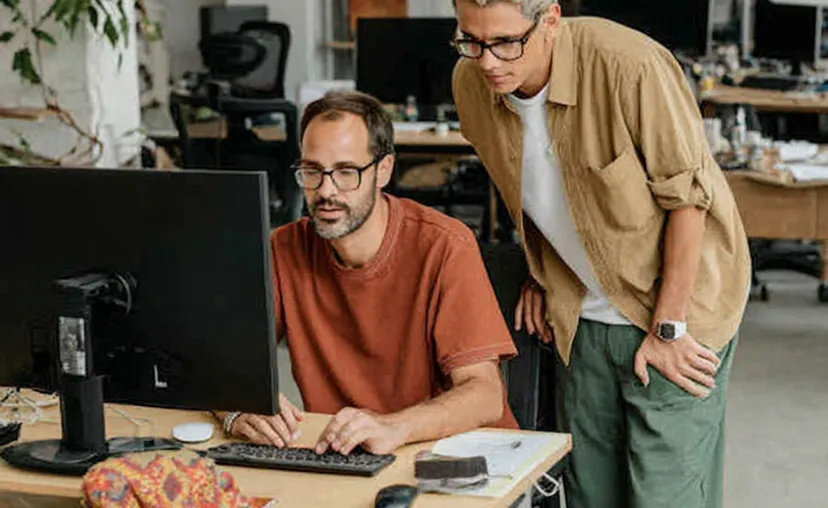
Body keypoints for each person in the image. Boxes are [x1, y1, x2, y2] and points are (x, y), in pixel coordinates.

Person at [450, 1, 750, 507]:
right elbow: (527, 187)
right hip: (578, 313)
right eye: (471, 41)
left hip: (678, 314)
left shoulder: (629, 66)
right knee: (590, 493)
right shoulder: (471, 84)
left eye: (504, 42)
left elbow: (688, 201)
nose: (487, 62)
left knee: (665, 496)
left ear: (550, 20)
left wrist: (670, 328)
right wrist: (537, 270)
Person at [217, 90, 519, 456]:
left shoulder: (445, 246)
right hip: (348, 460)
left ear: (384, 170)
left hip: (459, 457)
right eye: (312, 171)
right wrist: (234, 407)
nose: (326, 191)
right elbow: (218, 357)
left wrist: (395, 425)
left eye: (346, 172)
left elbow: (485, 396)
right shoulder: (283, 248)